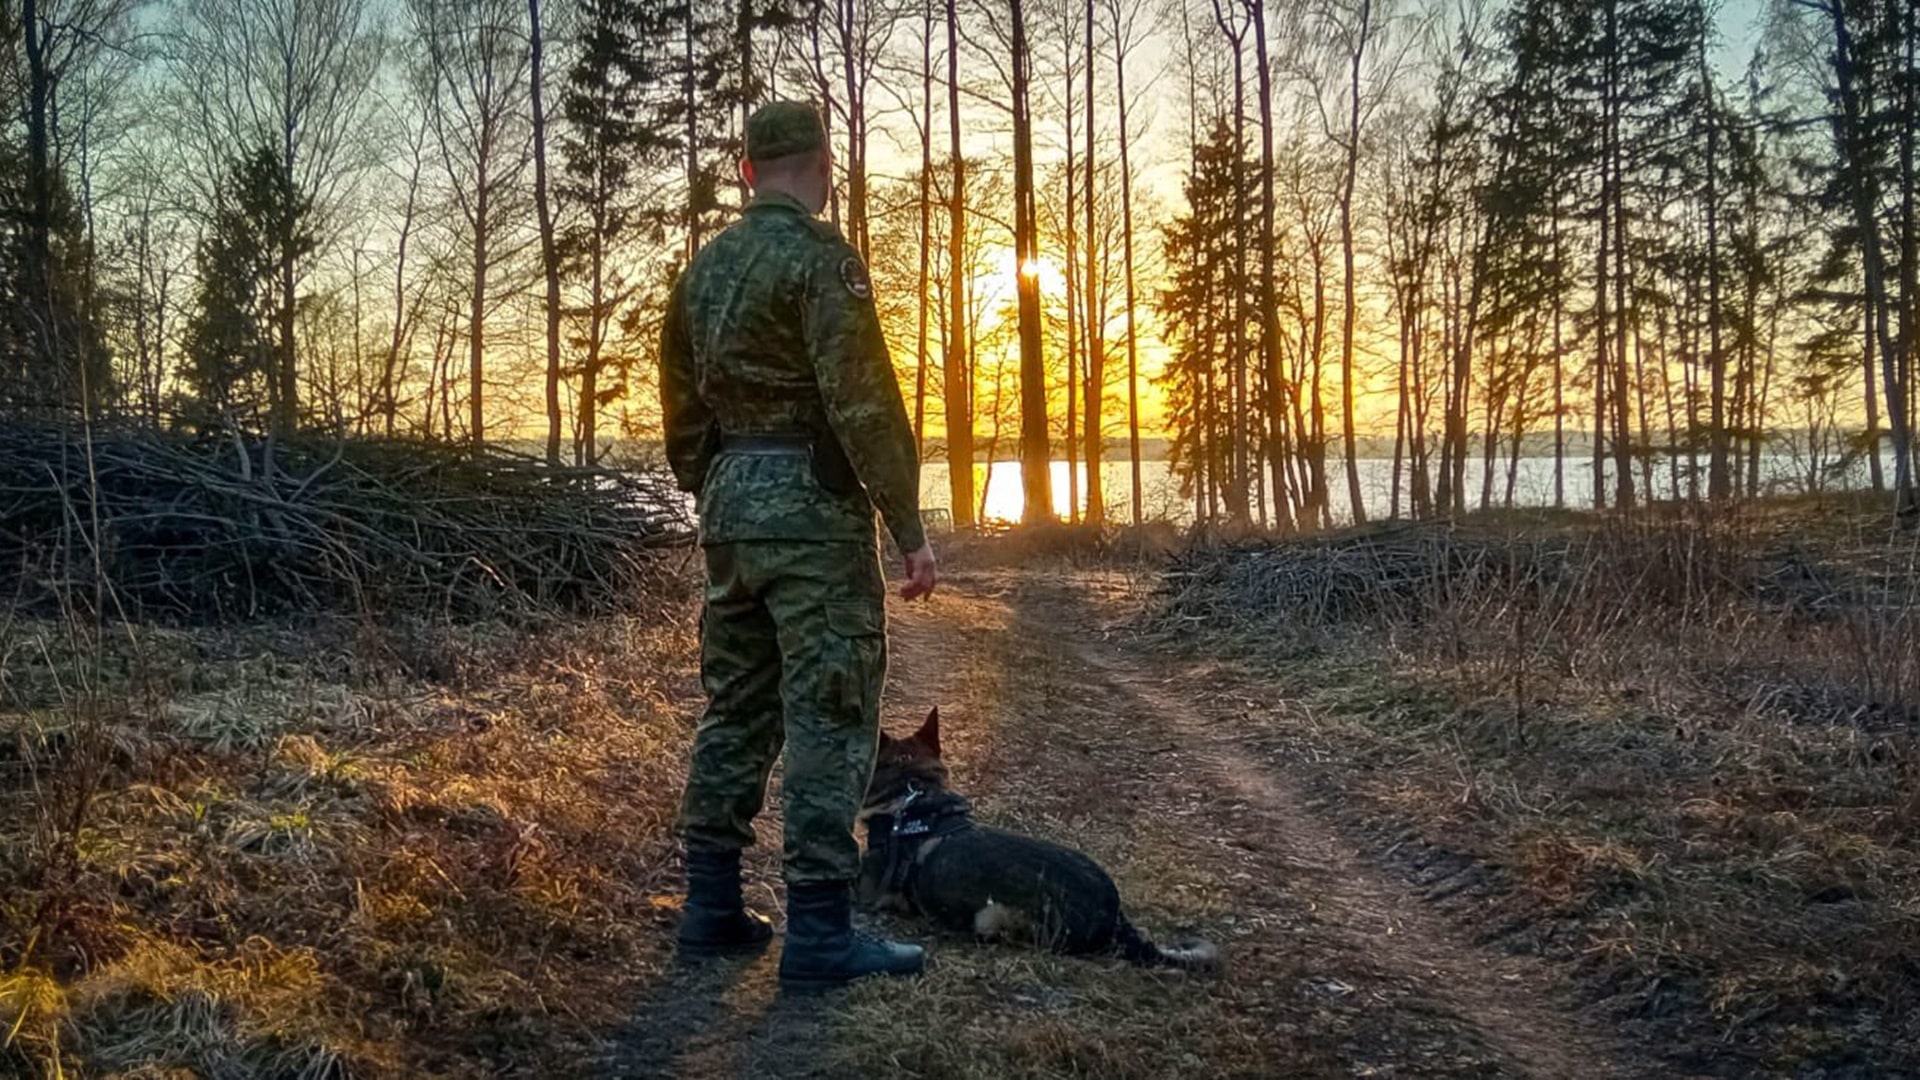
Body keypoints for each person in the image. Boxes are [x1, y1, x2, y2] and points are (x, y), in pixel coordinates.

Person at [657, 100, 939, 990]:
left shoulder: (701, 273)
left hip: (733, 516)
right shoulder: (823, 262)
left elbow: (680, 408)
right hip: (814, 519)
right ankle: (819, 933)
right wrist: (910, 530)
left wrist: (719, 488)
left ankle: (710, 908)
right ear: (823, 162)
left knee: (735, 705)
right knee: (831, 708)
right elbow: (863, 405)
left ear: (747, 170)